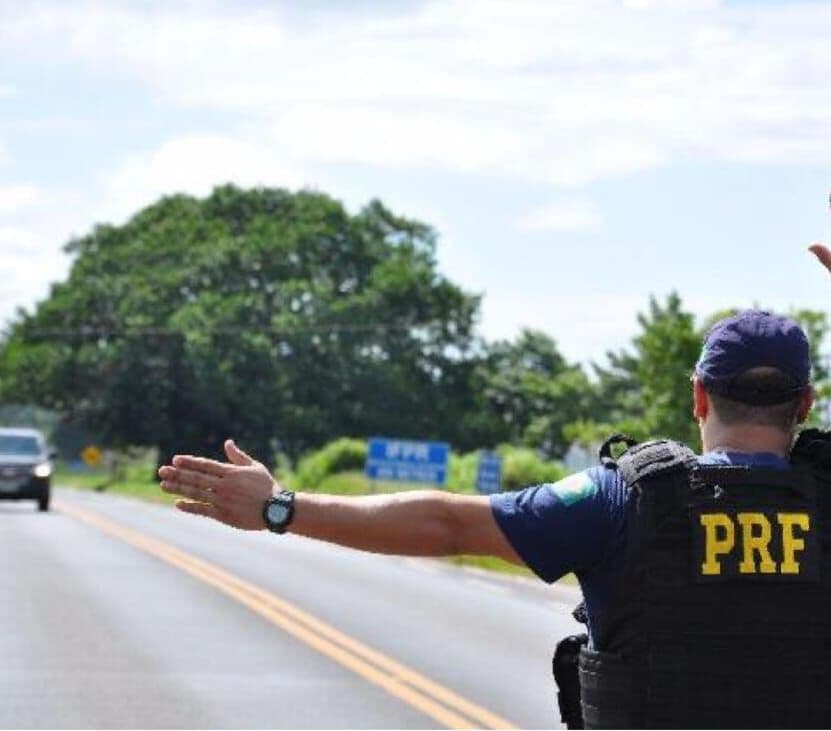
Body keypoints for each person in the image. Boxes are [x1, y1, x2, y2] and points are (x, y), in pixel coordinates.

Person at [158, 246, 831, 729]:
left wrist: (280, 507)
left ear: (697, 396)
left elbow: (448, 523)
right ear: (804, 403)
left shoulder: (623, 499)